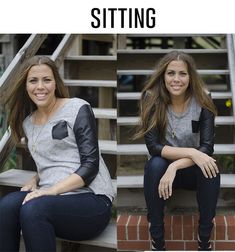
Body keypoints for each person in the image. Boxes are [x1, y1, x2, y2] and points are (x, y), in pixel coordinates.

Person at [0, 55, 116, 251]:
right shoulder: (28, 123)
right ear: (25, 86)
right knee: (7, 206)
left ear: (55, 83)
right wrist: (37, 177)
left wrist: (51, 190)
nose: (40, 86)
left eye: (47, 79)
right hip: (52, 198)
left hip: (91, 198)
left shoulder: (77, 108)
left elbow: (90, 166)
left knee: (33, 209)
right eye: (33, 80)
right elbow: (54, 158)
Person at [134, 51, 220, 251]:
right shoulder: (151, 99)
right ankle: (157, 240)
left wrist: (177, 165)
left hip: (189, 170)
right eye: (171, 73)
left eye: (182, 74)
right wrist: (192, 153)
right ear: (163, 76)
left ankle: (205, 239)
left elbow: (206, 148)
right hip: (161, 172)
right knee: (155, 164)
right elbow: (153, 146)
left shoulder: (204, 100)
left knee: (210, 167)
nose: (176, 79)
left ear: (191, 77)